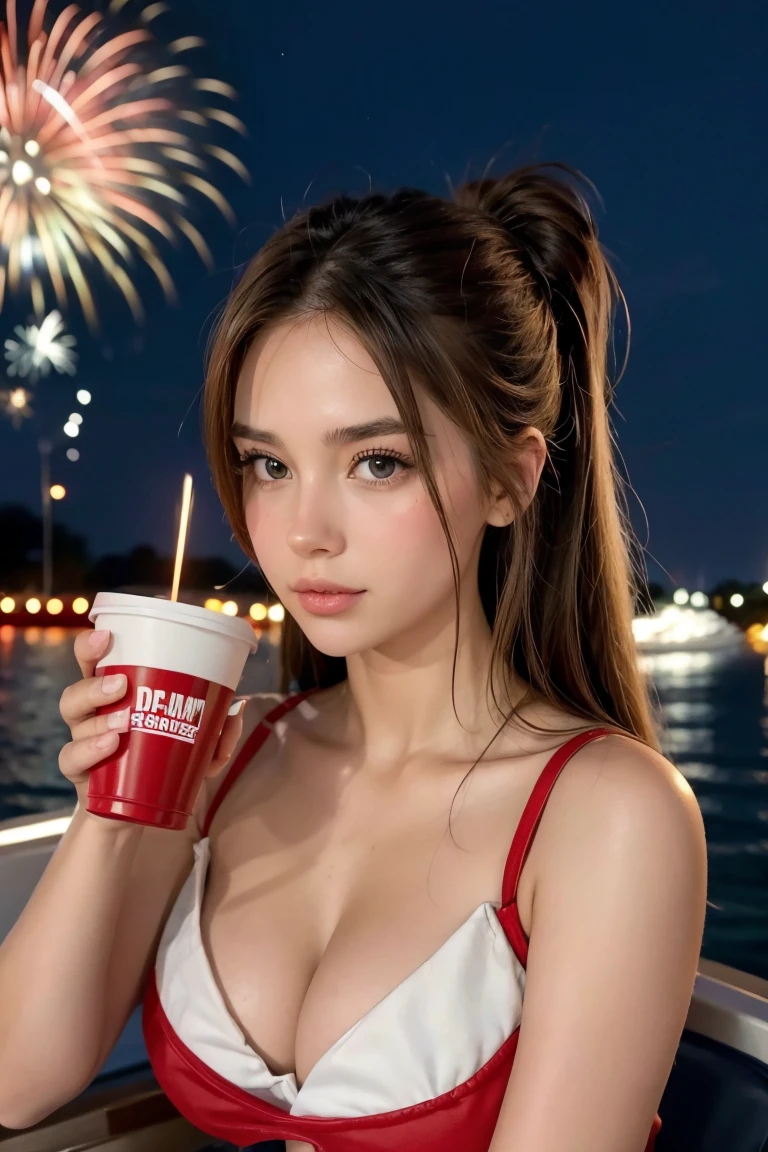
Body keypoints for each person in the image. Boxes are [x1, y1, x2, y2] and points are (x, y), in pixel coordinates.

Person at [0, 163, 707, 1152]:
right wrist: (113, 814)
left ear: (511, 478)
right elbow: (18, 1082)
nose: (303, 533)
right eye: (269, 465)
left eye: (378, 461)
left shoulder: (608, 819)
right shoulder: (230, 756)